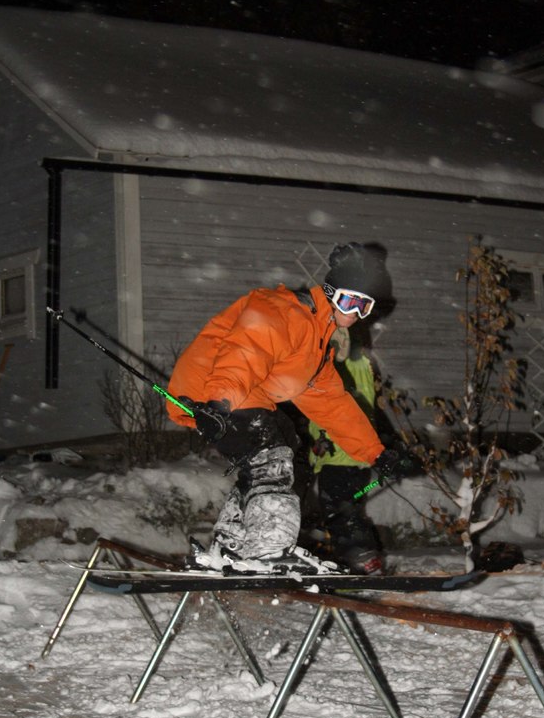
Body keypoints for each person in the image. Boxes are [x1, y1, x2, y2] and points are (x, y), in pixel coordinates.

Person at [166, 243, 411, 575]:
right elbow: (244, 353)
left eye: (365, 307)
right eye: (350, 301)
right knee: (272, 457)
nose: (355, 314)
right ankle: (267, 549)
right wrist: (219, 405)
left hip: (238, 397)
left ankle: (231, 545)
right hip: (215, 392)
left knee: (287, 446)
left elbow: (333, 406)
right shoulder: (285, 312)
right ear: (330, 293)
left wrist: (376, 453)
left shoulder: (315, 345)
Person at [307, 327, 384, 575]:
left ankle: (358, 562)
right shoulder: (362, 365)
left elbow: (334, 407)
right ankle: (357, 559)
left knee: (340, 515)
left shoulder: (335, 367)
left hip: (338, 453)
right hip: (357, 457)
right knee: (348, 511)